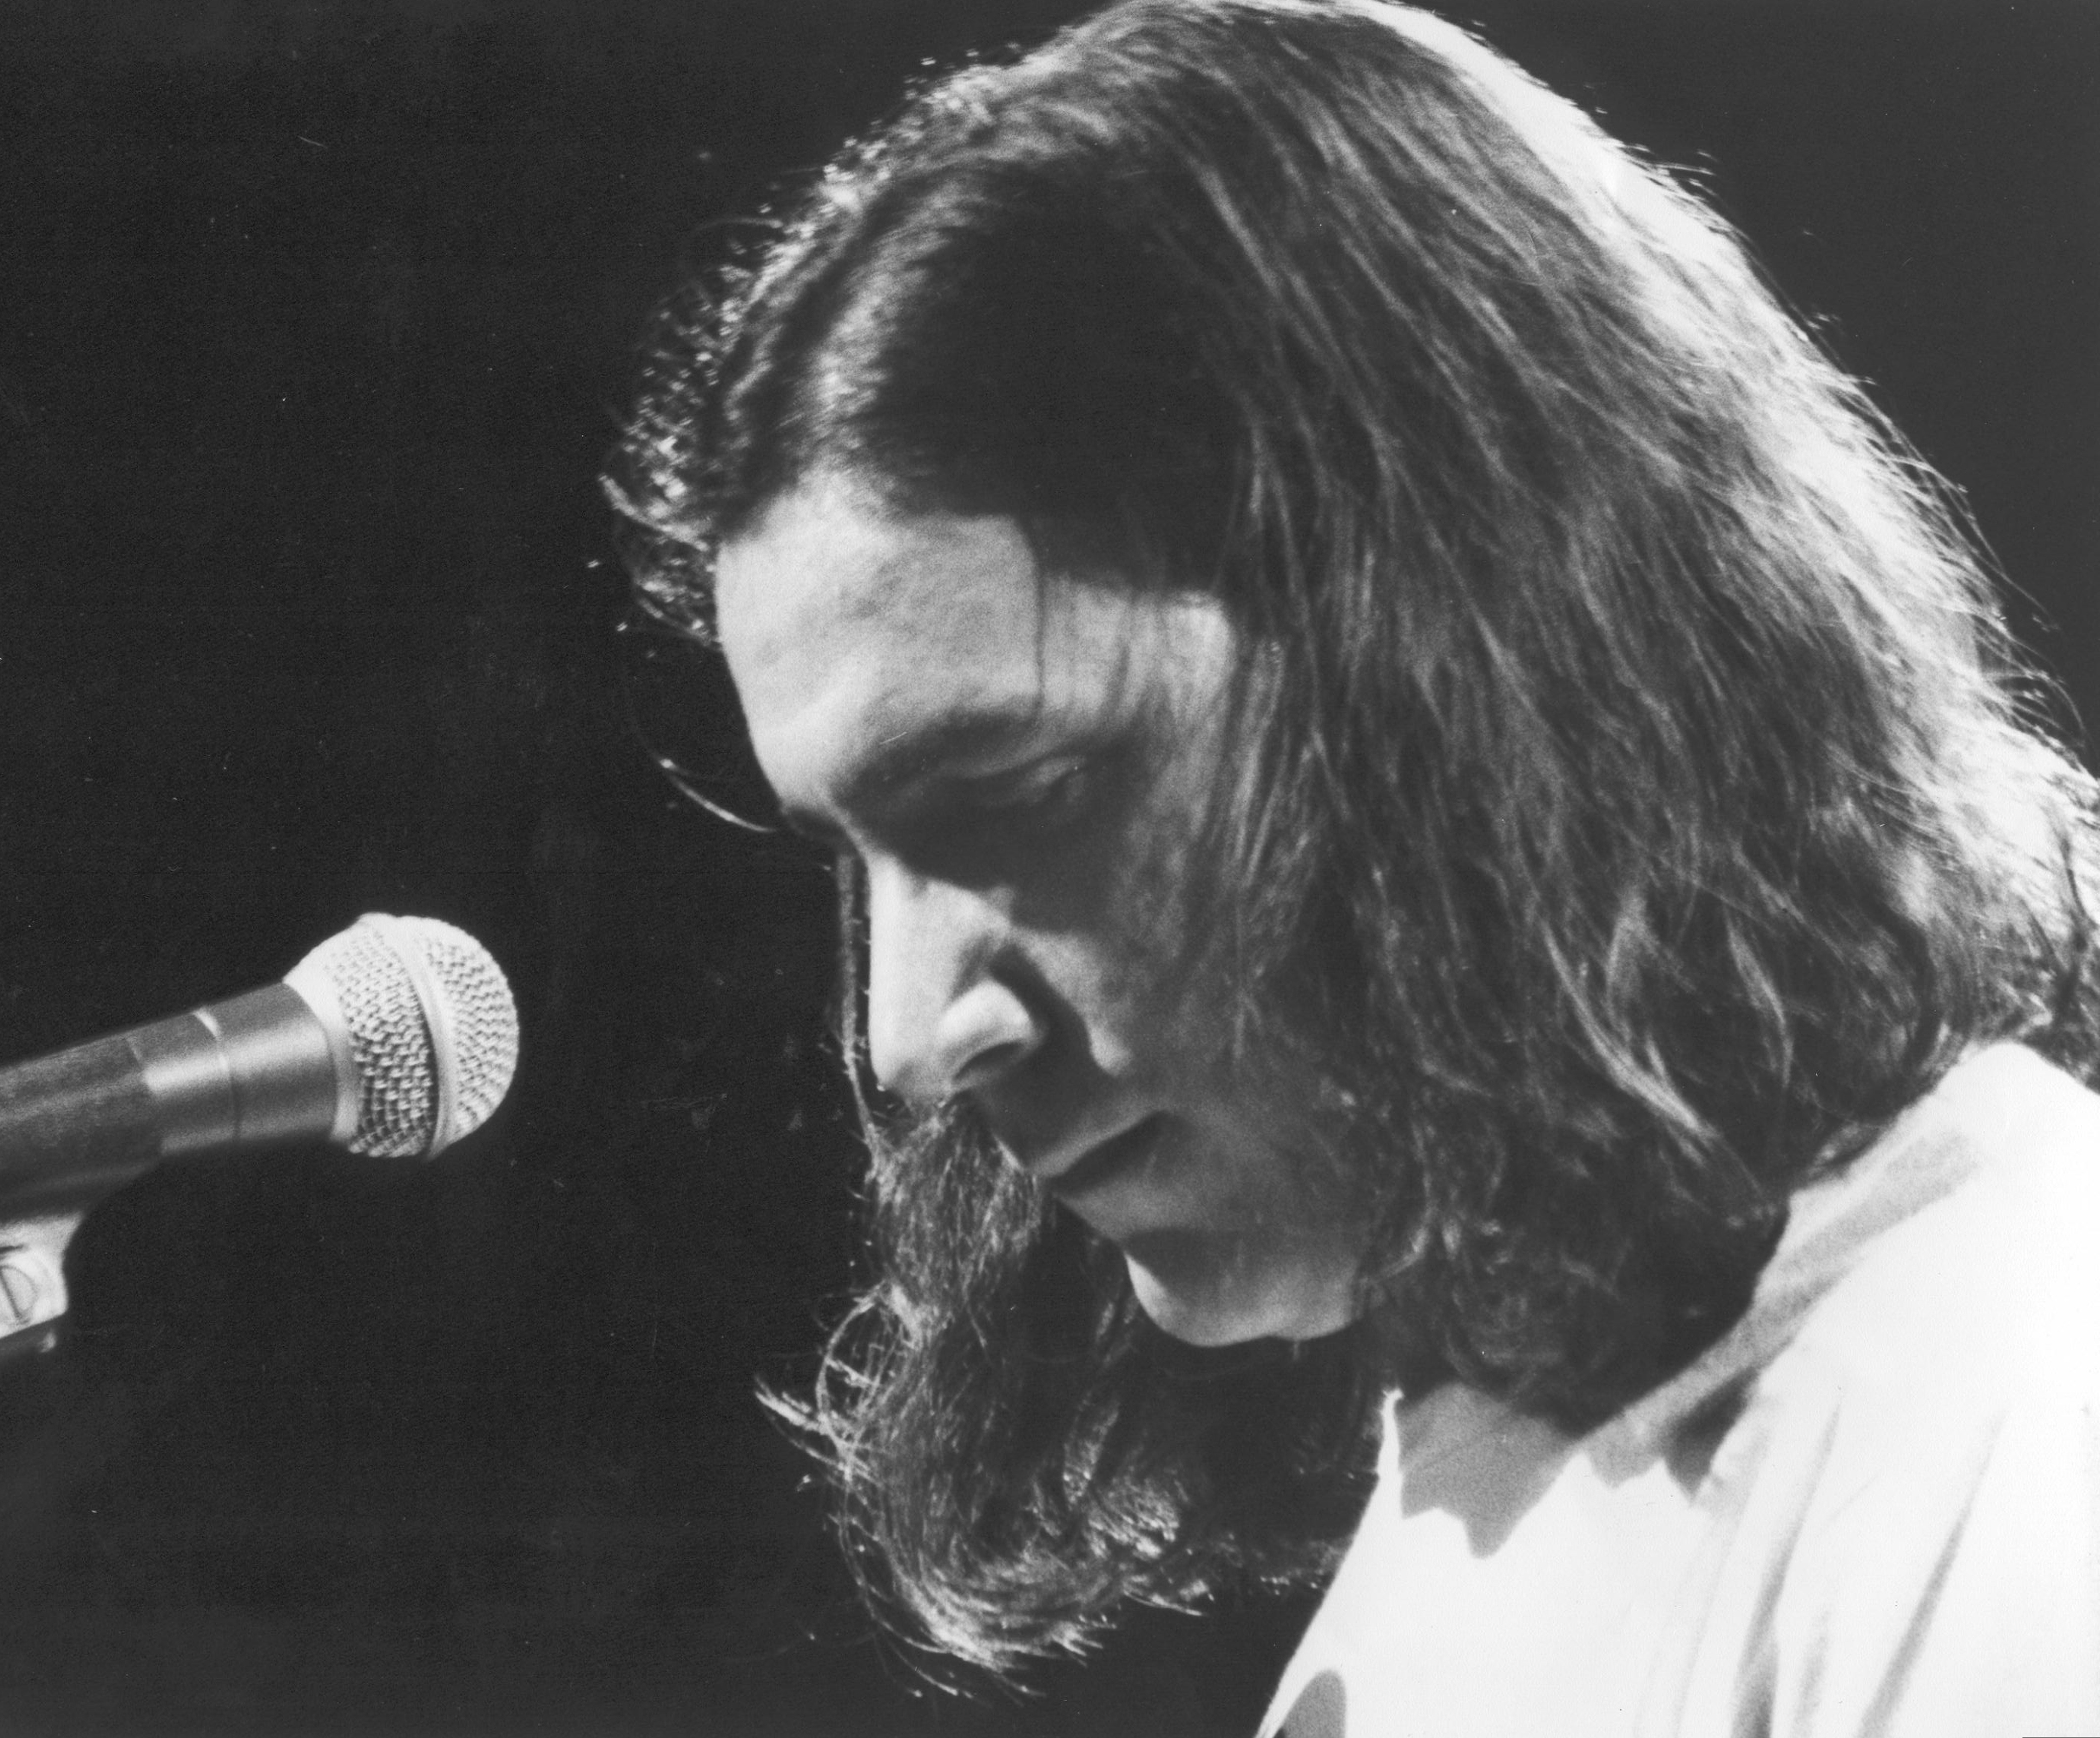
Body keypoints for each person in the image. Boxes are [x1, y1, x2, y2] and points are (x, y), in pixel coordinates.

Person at [607, 1, 2100, 1731]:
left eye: (1018, 792)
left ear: (1466, 647)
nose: (904, 1035)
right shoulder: (1498, 1473)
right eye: (856, 862)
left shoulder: (2005, 1405)